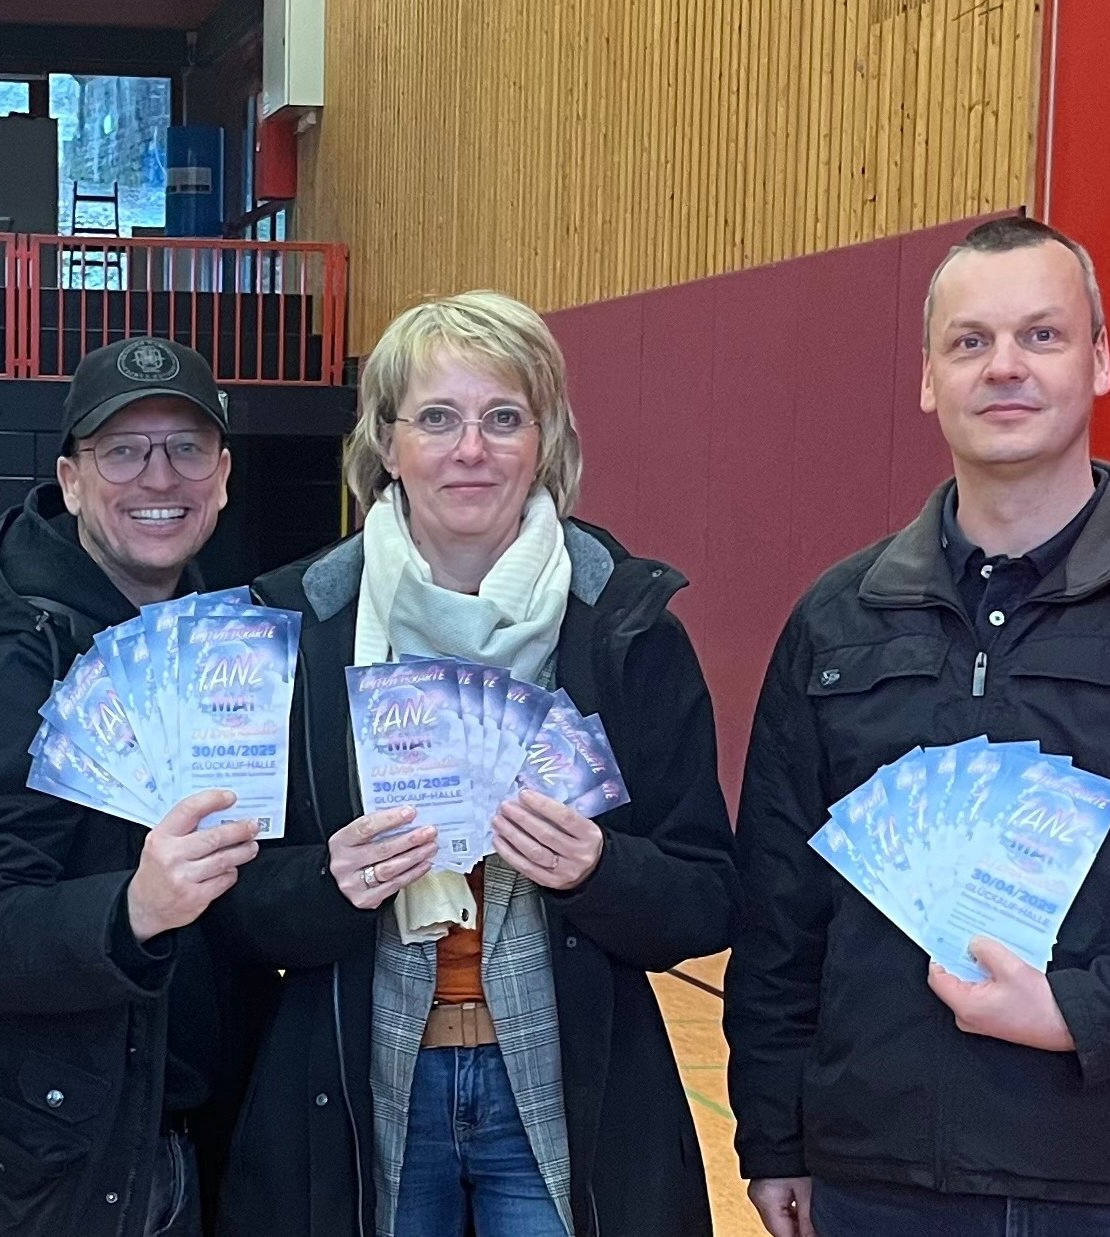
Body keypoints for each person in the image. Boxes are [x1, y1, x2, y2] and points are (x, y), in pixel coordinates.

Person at [724, 216, 1110, 1237]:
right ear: (928, 377)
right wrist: (774, 1135)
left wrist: (1082, 1011)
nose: (1003, 367)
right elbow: (780, 910)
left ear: (1098, 361)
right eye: (968, 342)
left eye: (1042, 336)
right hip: (878, 1178)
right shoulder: (836, 621)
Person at [218, 290, 736, 1237]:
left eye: (503, 418)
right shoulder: (299, 628)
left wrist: (598, 869)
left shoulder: (623, 629)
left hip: (565, 1083)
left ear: (545, 440)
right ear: (385, 441)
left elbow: (706, 894)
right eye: (438, 418)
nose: (470, 449)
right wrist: (328, 881)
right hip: (363, 1078)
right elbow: (242, 908)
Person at [0, 337, 273, 1237]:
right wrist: (132, 909)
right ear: (72, 480)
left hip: (161, 1142)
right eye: (122, 450)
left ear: (223, 474)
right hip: (23, 1171)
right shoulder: (13, 665)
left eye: (185, 448)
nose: (159, 476)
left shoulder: (215, 646)